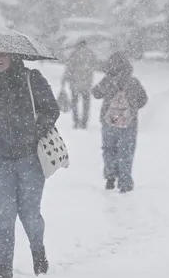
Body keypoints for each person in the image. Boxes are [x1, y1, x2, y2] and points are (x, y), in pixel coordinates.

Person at [0, 50, 60, 278]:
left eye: (3, 55)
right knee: (5, 213)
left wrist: (32, 133)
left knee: (29, 214)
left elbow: (51, 110)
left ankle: (38, 254)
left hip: (29, 159)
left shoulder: (32, 79)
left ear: (13, 56)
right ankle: (4, 267)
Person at [92, 52, 148, 193]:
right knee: (126, 151)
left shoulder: (108, 80)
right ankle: (125, 181)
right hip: (129, 123)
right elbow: (143, 99)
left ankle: (110, 177)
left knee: (109, 149)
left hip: (109, 121)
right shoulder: (133, 82)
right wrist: (132, 108)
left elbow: (95, 93)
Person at [61, 39, 99, 129]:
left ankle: (76, 121)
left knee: (75, 103)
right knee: (86, 104)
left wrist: (64, 80)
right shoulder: (91, 54)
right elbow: (94, 66)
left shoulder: (74, 54)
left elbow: (68, 69)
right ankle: (84, 122)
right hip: (86, 84)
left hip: (75, 84)